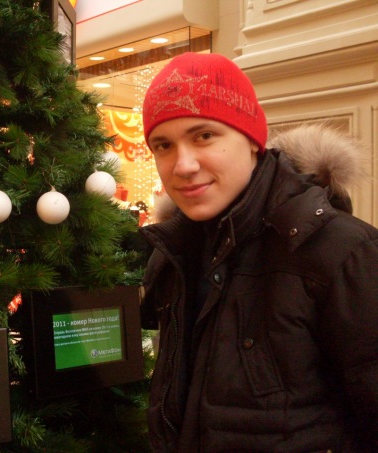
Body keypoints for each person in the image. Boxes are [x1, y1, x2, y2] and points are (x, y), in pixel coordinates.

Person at [139, 52, 378, 452]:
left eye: (204, 136)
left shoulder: (343, 251)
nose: (183, 165)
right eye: (163, 145)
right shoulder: (174, 253)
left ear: (252, 139)